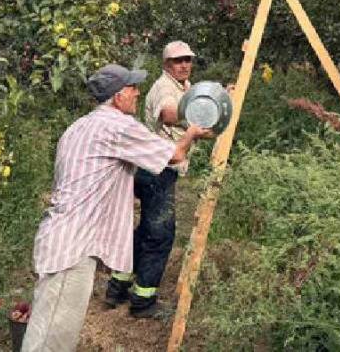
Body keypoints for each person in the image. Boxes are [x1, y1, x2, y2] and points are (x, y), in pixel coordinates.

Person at [21, 64, 211, 351]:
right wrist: (192, 133)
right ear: (118, 96)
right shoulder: (117, 126)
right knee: (53, 341)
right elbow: (174, 154)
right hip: (73, 248)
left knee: (47, 329)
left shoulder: (81, 125)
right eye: (133, 88)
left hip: (62, 239)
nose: (137, 93)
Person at [103, 40, 199, 317]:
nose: (183, 65)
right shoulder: (164, 88)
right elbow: (169, 114)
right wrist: (196, 122)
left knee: (146, 230)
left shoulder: (185, 87)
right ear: (166, 65)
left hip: (155, 168)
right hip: (157, 169)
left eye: (187, 60)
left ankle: (117, 288)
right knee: (160, 234)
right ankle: (143, 301)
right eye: (177, 61)